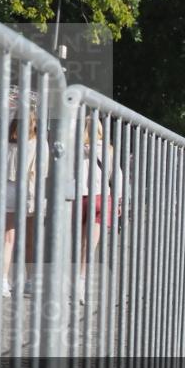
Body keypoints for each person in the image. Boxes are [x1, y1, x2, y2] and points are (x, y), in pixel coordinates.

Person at [1, 111, 47, 298]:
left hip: (8, 189)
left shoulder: (7, 143)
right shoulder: (39, 143)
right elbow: (41, 172)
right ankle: (31, 281)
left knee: (8, 239)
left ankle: (3, 281)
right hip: (29, 190)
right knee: (31, 240)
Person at [76, 116, 122, 304]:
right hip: (101, 198)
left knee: (75, 243)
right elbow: (116, 176)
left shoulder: (73, 148)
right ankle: (82, 285)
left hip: (77, 198)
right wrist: (118, 201)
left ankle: (71, 282)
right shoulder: (108, 150)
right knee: (90, 246)